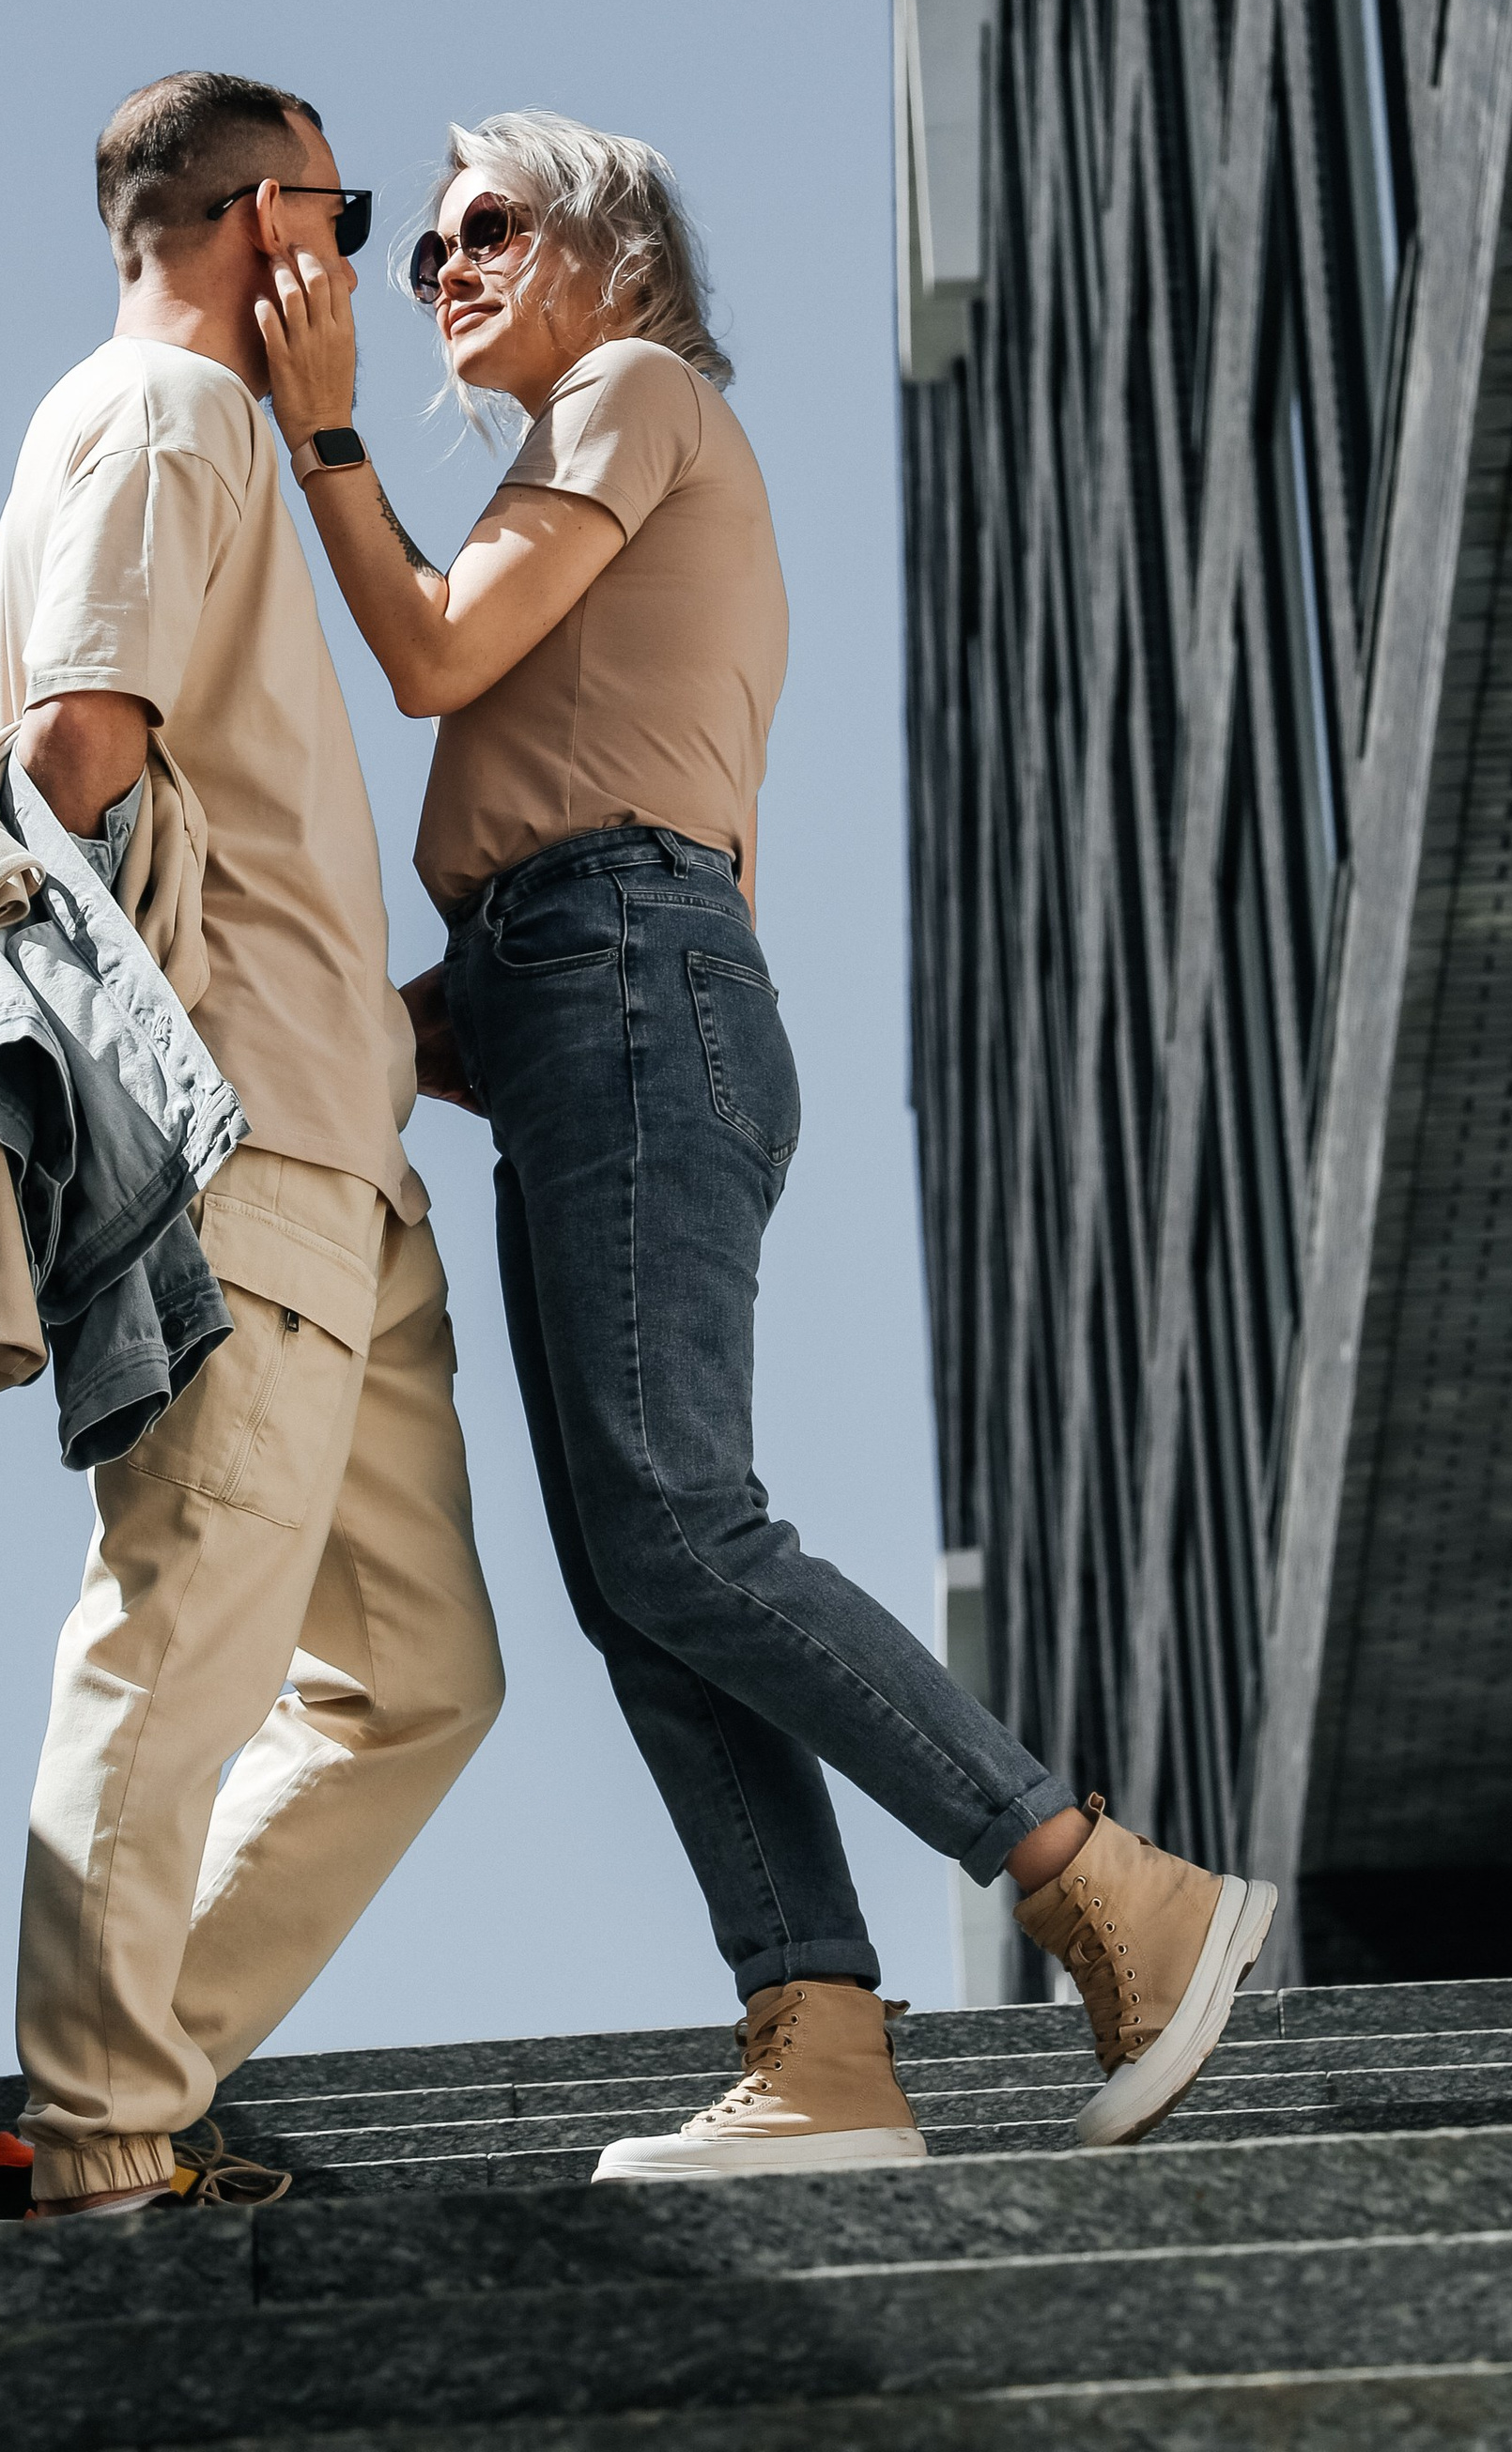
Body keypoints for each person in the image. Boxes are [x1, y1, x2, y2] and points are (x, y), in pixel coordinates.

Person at [258, 107, 1273, 2177]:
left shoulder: (634, 391)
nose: (433, 265)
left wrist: (324, 437)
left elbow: (442, 652)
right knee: (640, 1576)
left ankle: (1106, 1886)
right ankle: (814, 2042)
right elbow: (565, 787)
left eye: (481, 229)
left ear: (614, 257)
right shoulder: (600, 447)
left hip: (628, 981)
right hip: (580, 992)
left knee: (678, 1525)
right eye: (418, 243)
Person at [0, 70, 504, 2218]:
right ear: (250, 220)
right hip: (242, 1148)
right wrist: (164, 1097)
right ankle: (102, 2141)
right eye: (348, 209)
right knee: (184, 1627)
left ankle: (136, 2076)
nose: (366, 261)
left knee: (415, 1674)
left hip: (332, 1141)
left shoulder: (197, 442)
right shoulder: (165, 418)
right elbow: (73, 744)